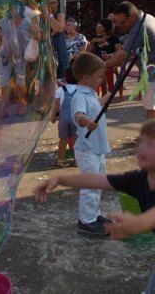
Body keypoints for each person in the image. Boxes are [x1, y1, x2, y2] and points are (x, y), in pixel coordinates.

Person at [34, 118, 155, 293]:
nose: (140, 146)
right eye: (140, 141)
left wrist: (137, 224)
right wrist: (60, 178)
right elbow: (99, 179)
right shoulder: (141, 179)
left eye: (150, 143)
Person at [106, 2, 155, 120]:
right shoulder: (145, 18)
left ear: (132, 16)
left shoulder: (141, 27)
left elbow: (124, 54)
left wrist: (102, 66)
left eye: (122, 22)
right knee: (153, 107)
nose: (121, 26)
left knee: (152, 110)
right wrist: (113, 24)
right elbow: (126, 41)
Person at [70, 52, 110, 236]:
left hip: (96, 148)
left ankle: (95, 215)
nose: (101, 79)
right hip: (87, 150)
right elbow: (79, 114)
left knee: (99, 183)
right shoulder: (79, 95)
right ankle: (86, 222)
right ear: (86, 77)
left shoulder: (91, 93)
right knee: (91, 185)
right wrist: (86, 121)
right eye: (99, 76)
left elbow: (93, 107)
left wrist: (103, 100)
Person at [0, 1, 32, 107]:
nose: (14, 9)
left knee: (20, 81)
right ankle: (5, 105)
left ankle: (21, 102)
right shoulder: (4, 21)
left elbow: (34, 33)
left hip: (20, 56)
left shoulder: (26, 22)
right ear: (9, 9)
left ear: (20, 9)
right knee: (5, 81)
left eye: (16, 7)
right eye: (12, 7)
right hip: (6, 55)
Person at [48, 64, 78, 167]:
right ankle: (76, 161)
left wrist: (52, 116)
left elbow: (56, 104)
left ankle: (60, 160)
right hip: (76, 117)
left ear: (65, 78)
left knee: (63, 139)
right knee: (76, 139)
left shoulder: (60, 90)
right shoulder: (80, 89)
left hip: (63, 117)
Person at [88, 18, 123, 94]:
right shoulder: (96, 39)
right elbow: (88, 53)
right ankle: (100, 93)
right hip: (99, 62)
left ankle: (107, 93)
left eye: (98, 25)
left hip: (112, 62)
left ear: (105, 27)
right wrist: (93, 41)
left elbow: (119, 52)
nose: (96, 27)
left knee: (104, 71)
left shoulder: (114, 38)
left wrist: (110, 55)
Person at [47, 0, 68, 80]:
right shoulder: (40, 17)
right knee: (48, 80)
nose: (56, 4)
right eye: (53, 2)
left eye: (56, 2)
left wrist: (50, 15)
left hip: (59, 52)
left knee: (61, 79)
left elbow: (58, 28)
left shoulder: (60, 15)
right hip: (47, 52)